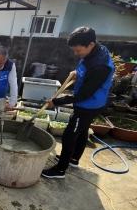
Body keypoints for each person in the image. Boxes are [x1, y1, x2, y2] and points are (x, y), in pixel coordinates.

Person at [42, 26, 114, 179]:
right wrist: (77, 73)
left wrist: (57, 101)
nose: (76, 54)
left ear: (91, 45)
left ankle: (60, 170)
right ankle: (73, 159)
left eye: (79, 51)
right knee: (82, 131)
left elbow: (83, 95)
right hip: (91, 100)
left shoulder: (100, 66)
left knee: (70, 134)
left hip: (89, 104)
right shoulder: (95, 51)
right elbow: (85, 67)